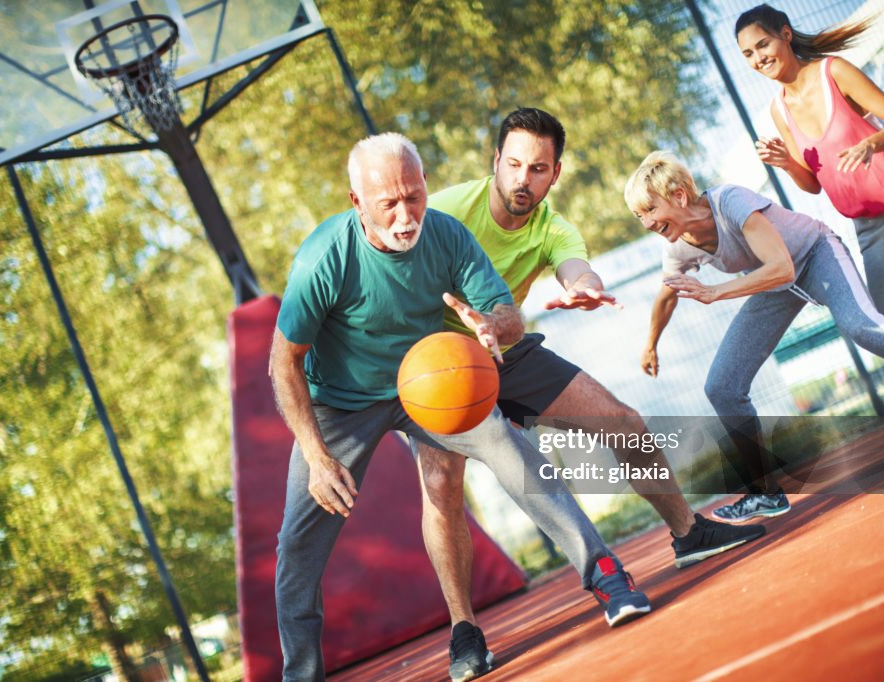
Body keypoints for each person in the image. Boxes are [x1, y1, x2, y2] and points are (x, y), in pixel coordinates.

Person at [271, 132, 652, 682]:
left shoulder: (445, 236)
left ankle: (606, 574)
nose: (406, 215)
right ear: (357, 203)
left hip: (426, 383)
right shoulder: (323, 259)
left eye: (414, 196)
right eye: (388, 204)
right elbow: (284, 361)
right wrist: (314, 451)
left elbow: (508, 314)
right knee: (297, 543)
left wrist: (491, 324)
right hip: (339, 404)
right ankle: (301, 675)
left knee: (506, 445)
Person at [416, 108, 766, 682]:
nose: (523, 179)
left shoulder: (552, 226)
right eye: (514, 165)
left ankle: (688, 532)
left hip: (508, 349)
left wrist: (583, 289)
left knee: (622, 420)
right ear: (495, 162)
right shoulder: (448, 210)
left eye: (538, 168)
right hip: (438, 365)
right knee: (440, 483)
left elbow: (577, 268)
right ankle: (464, 630)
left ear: (555, 174)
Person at [625, 150, 884, 525]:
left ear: (678, 196)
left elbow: (781, 265)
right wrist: (650, 344)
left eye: (648, 209)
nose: (645, 221)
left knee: (863, 327)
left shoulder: (730, 201)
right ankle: (765, 493)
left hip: (815, 253)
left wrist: (717, 293)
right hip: (776, 287)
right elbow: (666, 295)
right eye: (638, 215)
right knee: (722, 386)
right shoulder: (676, 245)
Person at [734, 4, 884, 350]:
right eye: (748, 54)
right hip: (871, 224)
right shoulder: (778, 109)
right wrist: (786, 163)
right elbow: (812, 183)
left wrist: (870, 143)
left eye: (762, 45)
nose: (758, 58)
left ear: (785, 34)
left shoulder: (834, 71)